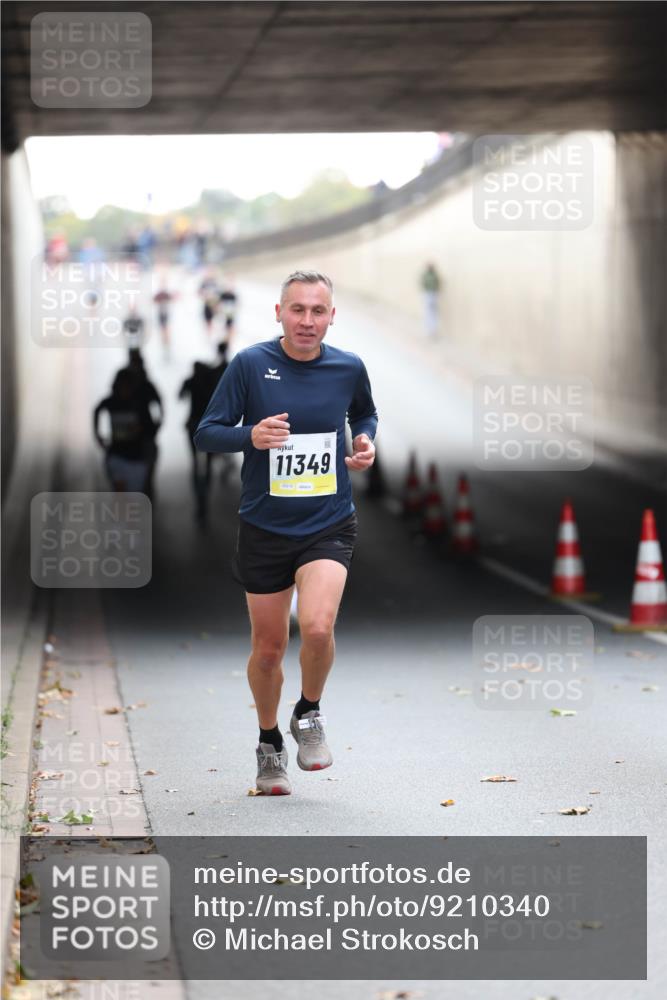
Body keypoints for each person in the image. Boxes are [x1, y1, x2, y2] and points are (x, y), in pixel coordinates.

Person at [195, 271, 377, 795]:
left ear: (331, 316)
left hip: (328, 523)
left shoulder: (347, 367)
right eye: (297, 309)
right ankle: (269, 742)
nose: (307, 321)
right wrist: (249, 435)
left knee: (317, 627)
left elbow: (365, 413)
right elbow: (206, 433)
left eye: (318, 311)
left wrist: (364, 440)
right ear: (279, 313)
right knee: (269, 649)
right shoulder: (251, 364)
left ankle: (309, 712)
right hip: (265, 528)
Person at [93, 369, 155, 493]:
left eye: (127, 386)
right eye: (122, 386)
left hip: (137, 457)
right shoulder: (112, 402)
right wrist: (97, 434)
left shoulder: (139, 404)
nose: (124, 390)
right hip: (117, 455)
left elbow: (151, 428)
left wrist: (140, 428)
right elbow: (97, 410)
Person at [420, 262, 442, 338]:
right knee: (428, 312)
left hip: (433, 295)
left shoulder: (434, 275)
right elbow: (423, 284)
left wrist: (435, 292)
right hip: (428, 295)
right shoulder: (426, 275)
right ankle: (428, 330)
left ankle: (433, 331)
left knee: (433, 313)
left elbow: (438, 284)